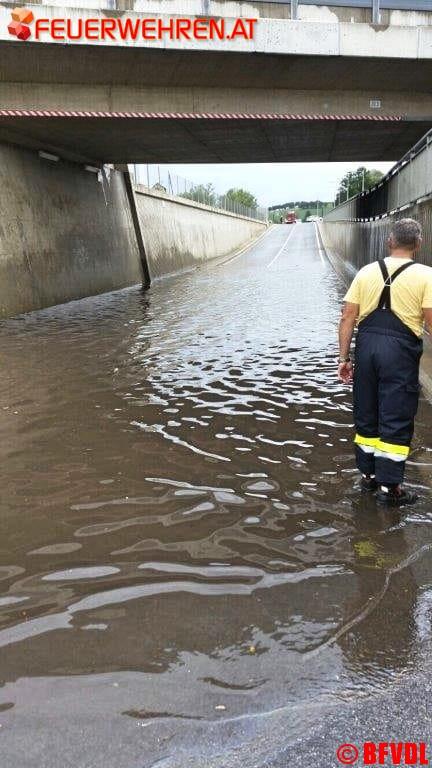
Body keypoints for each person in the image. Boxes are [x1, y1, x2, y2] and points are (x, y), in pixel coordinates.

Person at [338, 218, 432, 505]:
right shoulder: (426, 276)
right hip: (399, 353)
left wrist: (344, 358)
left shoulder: (366, 272)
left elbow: (347, 317)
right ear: (418, 244)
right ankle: (390, 489)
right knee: (396, 414)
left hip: (366, 349)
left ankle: (368, 477)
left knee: (366, 412)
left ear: (389, 242)